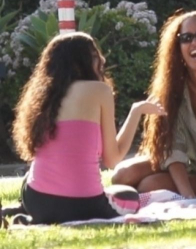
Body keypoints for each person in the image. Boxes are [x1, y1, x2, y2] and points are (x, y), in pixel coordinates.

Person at [12, 32, 165, 224]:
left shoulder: (42, 98)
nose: (102, 59)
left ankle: (22, 210)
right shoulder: (99, 90)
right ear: (77, 63)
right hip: (84, 206)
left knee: (31, 177)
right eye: (94, 56)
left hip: (38, 202)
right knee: (129, 195)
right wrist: (136, 112)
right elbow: (113, 159)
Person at [112, 10, 196, 196]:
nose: (195, 43)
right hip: (189, 164)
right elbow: (173, 148)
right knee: (122, 175)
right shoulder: (172, 89)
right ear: (177, 47)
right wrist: (188, 197)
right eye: (186, 38)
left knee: (148, 186)